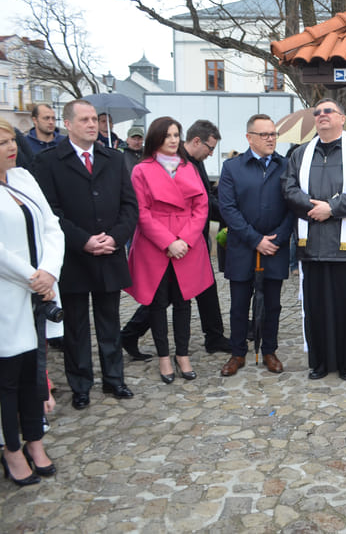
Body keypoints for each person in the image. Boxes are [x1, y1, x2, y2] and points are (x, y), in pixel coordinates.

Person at [33, 100, 138, 410]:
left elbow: (129, 206)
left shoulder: (114, 159)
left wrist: (116, 237)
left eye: (95, 119)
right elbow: (50, 213)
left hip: (109, 252)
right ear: (68, 124)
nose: (93, 124)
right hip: (74, 257)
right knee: (76, 326)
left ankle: (114, 378)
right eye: (85, 120)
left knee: (109, 321)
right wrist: (83, 241)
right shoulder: (49, 161)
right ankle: (80, 383)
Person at [119, 120, 232, 359]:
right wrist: (171, 241)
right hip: (164, 243)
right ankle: (132, 333)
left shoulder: (192, 165)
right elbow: (143, 210)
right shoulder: (149, 168)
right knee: (162, 297)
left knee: (198, 290)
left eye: (175, 135)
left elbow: (202, 202)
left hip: (191, 240)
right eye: (210, 148)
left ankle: (213, 336)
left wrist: (187, 237)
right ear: (197, 141)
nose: (211, 153)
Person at [283, 98, 346, 380]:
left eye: (328, 111)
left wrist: (332, 209)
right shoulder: (300, 154)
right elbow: (288, 188)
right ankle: (319, 362)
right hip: (311, 245)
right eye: (318, 112)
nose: (322, 115)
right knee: (316, 309)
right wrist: (314, 207)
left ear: (341, 118)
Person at [0, 119, 63, 486]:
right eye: (3, 142)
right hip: (9, 294)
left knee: (32, 371)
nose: (12, 147)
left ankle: (35, 440)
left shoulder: (22, 178)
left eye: (12, 140)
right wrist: (32, 276)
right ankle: (11, 448)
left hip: (38, 291)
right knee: (8, 376)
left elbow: (51, 226)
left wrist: (49, 272)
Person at [218, 114, 293, 377]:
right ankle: (238, 353)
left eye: (273, 134)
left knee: (272, 303)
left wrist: (277, 239)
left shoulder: (286, 166)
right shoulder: (233, 167)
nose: (271, 138)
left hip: (275, 247)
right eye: (264, 134)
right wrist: (255, 239)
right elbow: (228, 208)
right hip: (242, 248)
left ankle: (269, 350)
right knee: (239, 303)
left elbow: (292, 207)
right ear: (249, 137)